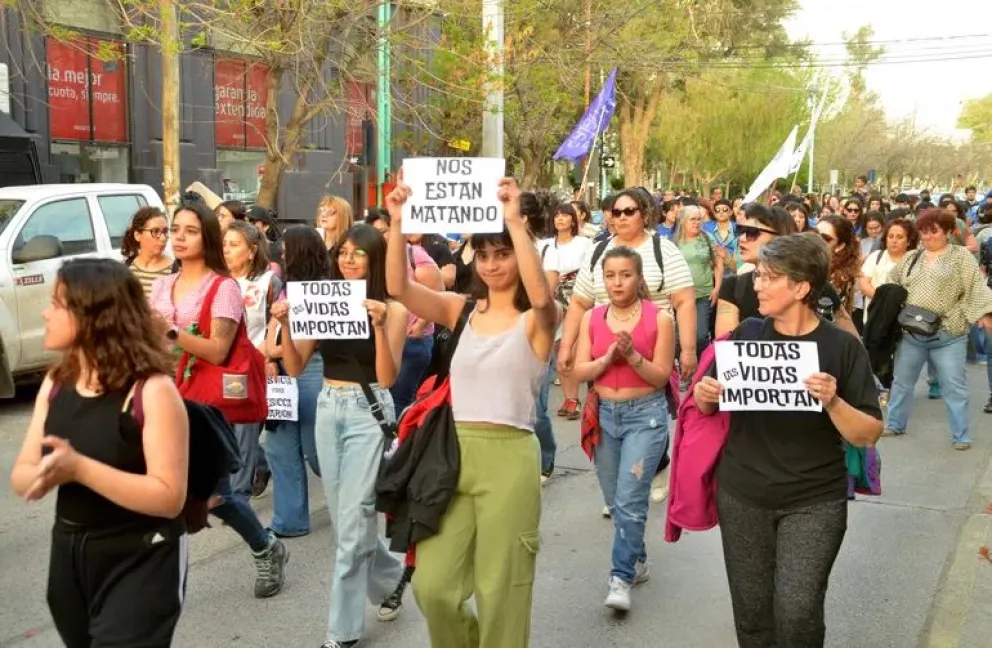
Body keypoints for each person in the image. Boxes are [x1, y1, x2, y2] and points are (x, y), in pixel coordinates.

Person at [384, 175, 556, 648]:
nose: (493, 264)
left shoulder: (538, 319)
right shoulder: (460, 309)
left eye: (502, 254)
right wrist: (398, 221)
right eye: (484, 255)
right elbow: (397, 285)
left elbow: (541, 297)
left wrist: (516, 223)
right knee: (433, 587)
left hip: (510, 456)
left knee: (503, 589)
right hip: (450, 454)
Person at [694, 234, 883, 647]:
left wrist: (832, 401)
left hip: (814, 501)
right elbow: (709, 406)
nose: (757, 285)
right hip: (743, 495)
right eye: (758, 275)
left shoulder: (843, 347)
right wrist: (705, 396)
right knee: (752, 615)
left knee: (798, 613)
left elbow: (868, 433)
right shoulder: (746, 334)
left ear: (800, 288)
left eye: (768, 277)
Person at [11, 258, 190, 647]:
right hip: (71, 555)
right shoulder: (57, 383)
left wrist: (79, 469)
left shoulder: (152, 392)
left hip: (141, 556)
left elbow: (169, 497)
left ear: (95, 315)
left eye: (58, 305)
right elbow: (22, 473)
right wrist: (43, 477)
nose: (45, 313)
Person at [272, 224, 408, 648]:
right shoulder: (323, 298)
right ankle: (391, 579)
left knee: (352, 525)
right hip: (330, 408)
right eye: (344, 252)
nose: (348, 259)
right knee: (349, 518)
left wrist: (381, 327)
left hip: (369, 413)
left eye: (359, 253)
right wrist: (289, 325)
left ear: (375, 258)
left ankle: (341, 632)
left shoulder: (394, 308)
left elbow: (387, 378)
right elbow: (295, 366)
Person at [150, 197, 288, 598]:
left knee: (215, 495)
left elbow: (217, 350)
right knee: (165, 487)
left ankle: (266, 547)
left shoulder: (223, 286)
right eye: (175, 229)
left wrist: (171, 332)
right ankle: (161, 579)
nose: (179, 237)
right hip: (164, 396)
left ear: (207, 236)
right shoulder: (161, 285)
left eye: (190, 231)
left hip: (207, 404)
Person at [573, 247, 675, 611]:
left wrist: (632, 356)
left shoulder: (659, 318)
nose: (617, 282)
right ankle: (637, 559)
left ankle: (620, 577)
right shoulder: (592, 318)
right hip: (604, 415)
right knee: (616, 500)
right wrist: (606, 359)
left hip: (645, 416)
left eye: (626, 274)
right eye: (611, 275)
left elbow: (661, 375)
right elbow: (577, 370)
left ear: (639, 277)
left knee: (631, 500)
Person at [883, 208, 992, 449]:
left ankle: (961, 436)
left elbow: (976, 288)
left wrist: (985, 315)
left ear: (948, 232)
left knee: (955, 386)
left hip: (948, 333)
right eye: (924, 232)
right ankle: (895, 423)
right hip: (912, 332)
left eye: (934, 232)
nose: (928, 237)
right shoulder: (912, 257)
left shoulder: (961, 257)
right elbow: (891, 282)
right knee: (902, 381)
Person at [263, 226, 327, 538]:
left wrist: (273, 351)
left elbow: (305, 346)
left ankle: (359, 501)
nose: (282, 254)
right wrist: (267, 359)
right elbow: (270, 331)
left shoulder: (323, 291)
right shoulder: (285, 288)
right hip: (279, 375)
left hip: (310, 371)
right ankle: (288, 520)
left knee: (318, 450)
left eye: (288, 249)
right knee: (279, 447)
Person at [716, 204, 858, 338]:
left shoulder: (816, 285)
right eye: (741, 230)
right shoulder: (733, 286)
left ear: (780, 236)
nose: (741, 238)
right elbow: (727, 351)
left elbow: (851, 341)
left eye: (752, 233)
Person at [223, 221, 279, 499]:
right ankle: (262, 462)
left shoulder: (268, 281)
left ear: (252, 251)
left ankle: (239, 493)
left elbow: (275, 325)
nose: (227, 251)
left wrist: (270, 358)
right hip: (221, 365)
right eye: (224, 245)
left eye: (234, 245)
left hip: (253, 365)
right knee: (223, 426)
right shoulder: (217, 280)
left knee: (245, 429)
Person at [121, 206, 174, 296]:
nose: (163, 238)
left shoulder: (175, 271)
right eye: (155, 231)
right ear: (137, 235)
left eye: (165, 231)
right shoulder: (125, 268)